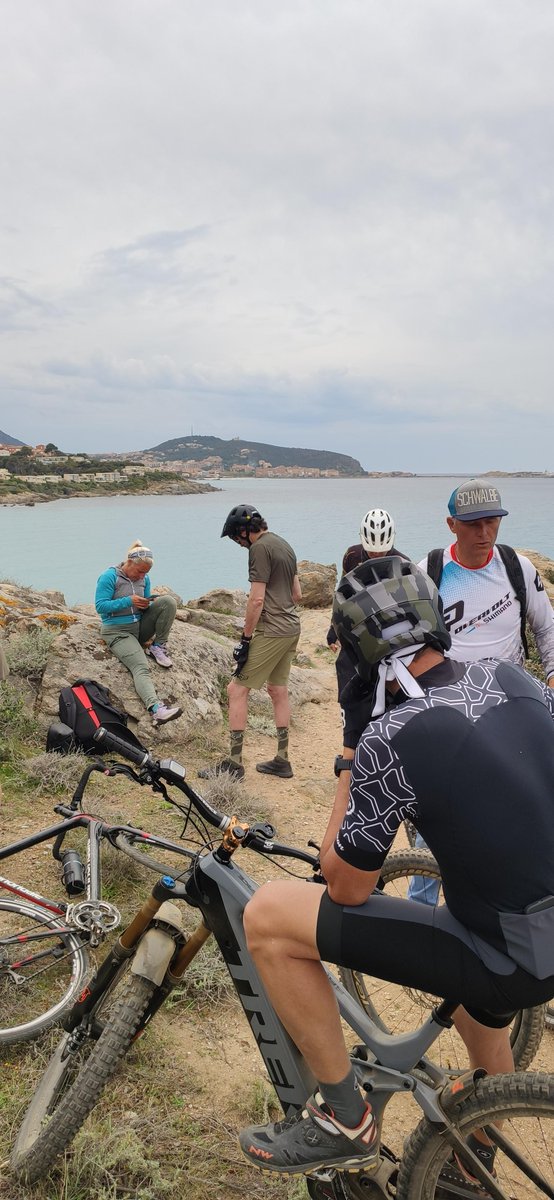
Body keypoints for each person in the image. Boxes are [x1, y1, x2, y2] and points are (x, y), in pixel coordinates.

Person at [238, 557, 554, 1181]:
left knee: (269, 917)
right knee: (473, 1006)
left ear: (356, 657)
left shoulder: (391, 734)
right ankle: (474, 1153)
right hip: (538, 935)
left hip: (508, 957)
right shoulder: (518, 681)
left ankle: (345, 1117)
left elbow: (345, 886)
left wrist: (353, 753)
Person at [408, 477, 554, 905]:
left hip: (513, 712)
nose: (485, 534)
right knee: (439, 820)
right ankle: (422, 917)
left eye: (493, 522)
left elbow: (547, 631)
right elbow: (409, 649)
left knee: (523, 810)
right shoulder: (428, 573)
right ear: (451, 524)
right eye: (473, 524)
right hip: (451, 716)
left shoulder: (517, 568)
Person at [199, 504, 302, 781]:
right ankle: (282, 760)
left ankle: (234, 764)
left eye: (235, 537)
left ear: (245, 531)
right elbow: (297, 593)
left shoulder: (258, 549)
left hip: (272, 630)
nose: (236, 542)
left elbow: (256, 599)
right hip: (292, 627)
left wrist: (246, 638)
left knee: (236, 689)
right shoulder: (284, 544)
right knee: (278, 690)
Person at [95, 540, 182, 726]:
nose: (142, 576)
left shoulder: (144, 578)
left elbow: (145, 602)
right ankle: (156, 710)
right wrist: (129, 601)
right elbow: (100, 606)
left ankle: (157, 646)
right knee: (141, 667)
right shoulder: (109, 577)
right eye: (139, 571)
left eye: (145, 573)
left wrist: (146, 604)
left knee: (168, 601)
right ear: (129, 562)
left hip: (139, 627)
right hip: (117, 631)